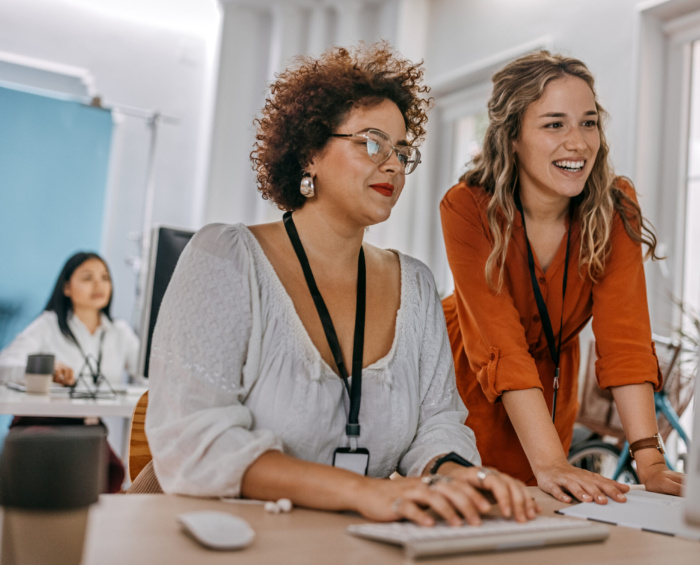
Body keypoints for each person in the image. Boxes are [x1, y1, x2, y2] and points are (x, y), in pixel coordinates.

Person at [145, 43, 537, 526]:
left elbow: (437, 425)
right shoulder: (225, 258)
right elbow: (197, 441)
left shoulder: (414, 284)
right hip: (230, 541)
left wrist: (456, 476)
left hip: (360, 544)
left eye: (402, 151)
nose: (393, 165)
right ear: (310, 152)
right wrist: (363, 493)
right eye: (372, 143)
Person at [440, 50, 684, 505]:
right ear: (512, 136)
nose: (578, 142)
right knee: (478, 517)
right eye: (555, 124)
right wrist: (551, 462)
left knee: (550, 514)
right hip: (468, 381)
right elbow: (501, 346)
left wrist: (650, 459)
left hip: (551, 387)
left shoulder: (615, 207)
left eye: (588, 123)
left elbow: (625, 340)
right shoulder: (467, 206)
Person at [0, 251, 140, 492]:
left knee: (112, 480)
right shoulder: (48, 324)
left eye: (105, 277)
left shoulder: (119, 332)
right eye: (87, 278)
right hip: (40, 425)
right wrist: (44, 368)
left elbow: (151, 372)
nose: (99, 285)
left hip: (88, 430)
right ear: (66, 288)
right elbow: (4, 366)